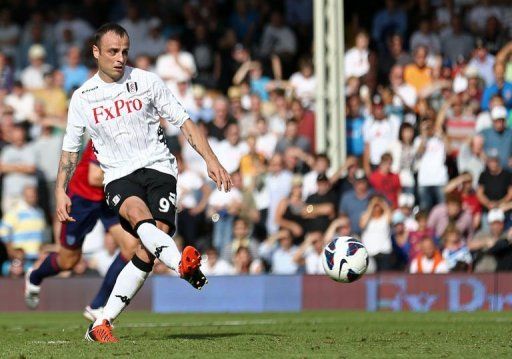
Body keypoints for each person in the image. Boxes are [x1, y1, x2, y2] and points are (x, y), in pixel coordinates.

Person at [27, 24, 232, 343]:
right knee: (139, 220)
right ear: (96, 52)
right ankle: (181, 264)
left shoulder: (148, 81)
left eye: (124, 51)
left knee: (148, 248)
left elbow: (184, 122)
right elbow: (71, 150)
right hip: (119, 175)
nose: (120, 58)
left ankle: (101, 323)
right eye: (112, 51)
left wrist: (211, 159)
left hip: (159, 169)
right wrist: (59, 190)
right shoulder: (83, 97)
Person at [24, 141, 139, 321]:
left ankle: (97, 305)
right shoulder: (103, 133)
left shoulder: (134, 136)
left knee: (131, 247)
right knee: (68, 261)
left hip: (108, 198)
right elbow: (94, 177)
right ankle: (35, 275)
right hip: (82, 199)